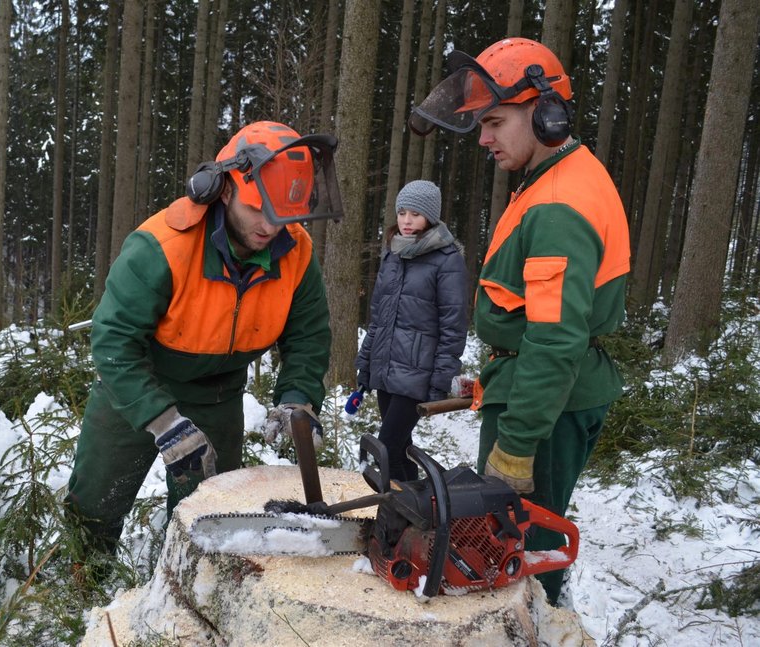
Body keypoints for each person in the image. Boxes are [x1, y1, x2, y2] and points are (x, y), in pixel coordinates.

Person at [408, 37, 631, 604]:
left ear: (547, 113)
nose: (484, 138)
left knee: (517, 546)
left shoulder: (560, 203)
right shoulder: (548, 183)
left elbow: (557, 339)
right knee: (506, 539)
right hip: (535, 389)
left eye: (496, 122)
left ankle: (532, 624)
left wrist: (518, 446)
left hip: (548, 406)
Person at [66, 121, 342, 555]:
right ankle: (83, 591)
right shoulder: (163, 245)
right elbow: (114, 340)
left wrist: (298, 396)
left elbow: (308, 335)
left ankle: (186, 597)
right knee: (96, 505)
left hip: (218, 394)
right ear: (226, 189)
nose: (271, 227)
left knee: (211, 515)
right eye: (258, 210)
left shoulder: (298, 253)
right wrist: (162, 422)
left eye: (283, 215)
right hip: (136, 385)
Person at [354, 180, 468, 481]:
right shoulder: (393, 254)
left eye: (415, 214)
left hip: (416, 374)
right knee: (400, 448)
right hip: (387, 370)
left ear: (430, 216)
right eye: (402, 212)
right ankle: (415, 513)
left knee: (387, 447)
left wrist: (440, 379)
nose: (406, 220)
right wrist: (366, 365)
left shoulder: (447, 260)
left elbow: (453, 326)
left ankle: (403, 511)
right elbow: (378, 319)